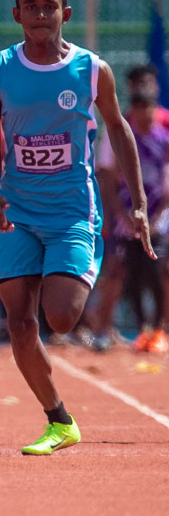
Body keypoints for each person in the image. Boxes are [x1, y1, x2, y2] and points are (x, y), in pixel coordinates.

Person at [0, 0, 150, 455]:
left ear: (64, 13)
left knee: (60, 317)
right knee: (18, 323)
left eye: (48, 6)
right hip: (17, 209)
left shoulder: (92, 70)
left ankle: (76, 266)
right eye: (29, 6)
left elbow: (118, 131)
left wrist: (137, 203)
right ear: (16, 15)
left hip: (73, 212)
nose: (39, 14)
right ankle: (59, 418)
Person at [92, 90, 169, 353]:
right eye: (138, 107)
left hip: (158, 218)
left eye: (148, 107)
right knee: (127, 274)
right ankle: (136, 330)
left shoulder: (164, 138)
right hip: (127, 219)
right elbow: (111, 181)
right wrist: (120, 216)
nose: (143, 113)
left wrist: (158, 215)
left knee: (159, 272)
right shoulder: (125, 140)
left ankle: (159, 329)